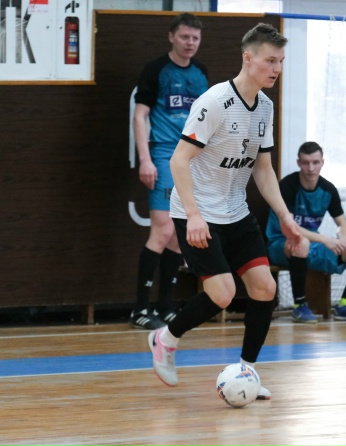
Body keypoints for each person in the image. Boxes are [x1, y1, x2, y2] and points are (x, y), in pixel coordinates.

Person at [148, 23, 303, 399]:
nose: (277, 69)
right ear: (248, 58)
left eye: (281, 61)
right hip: (197, 212)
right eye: (270, 61)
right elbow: (179, 161)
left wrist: (285, 216)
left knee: (265, 288)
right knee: (222, 293)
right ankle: (166, 338)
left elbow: (263, 169)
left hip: (236, 212)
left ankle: (247, 372)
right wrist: (193, 215)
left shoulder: (265, 107)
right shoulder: (214, 102)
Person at [129, 13, 209, 330]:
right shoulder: (156, 70)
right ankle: (139, 309)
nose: (190, 43)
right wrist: (145, 159)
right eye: (185, 37)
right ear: (172, 37)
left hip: (192, 159)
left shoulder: (201, 73)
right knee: (162, 231)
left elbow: (206, 120)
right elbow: (140, 116)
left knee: (178, 235)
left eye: (195, 38)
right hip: (164, 154)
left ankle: (165, 306)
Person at [265, 141, 346, 322]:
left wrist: (343, 239)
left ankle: (345, 304)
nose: (311, 168)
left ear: (322, 162)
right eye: (306, 163)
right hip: (281, 242)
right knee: (301, 243)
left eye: (315, 162)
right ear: (298, 163)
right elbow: (291, 227)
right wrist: (325, 240)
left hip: (313, 243)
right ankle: (299, 306)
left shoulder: (328, 189)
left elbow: (343, 223)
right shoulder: (287, 185)